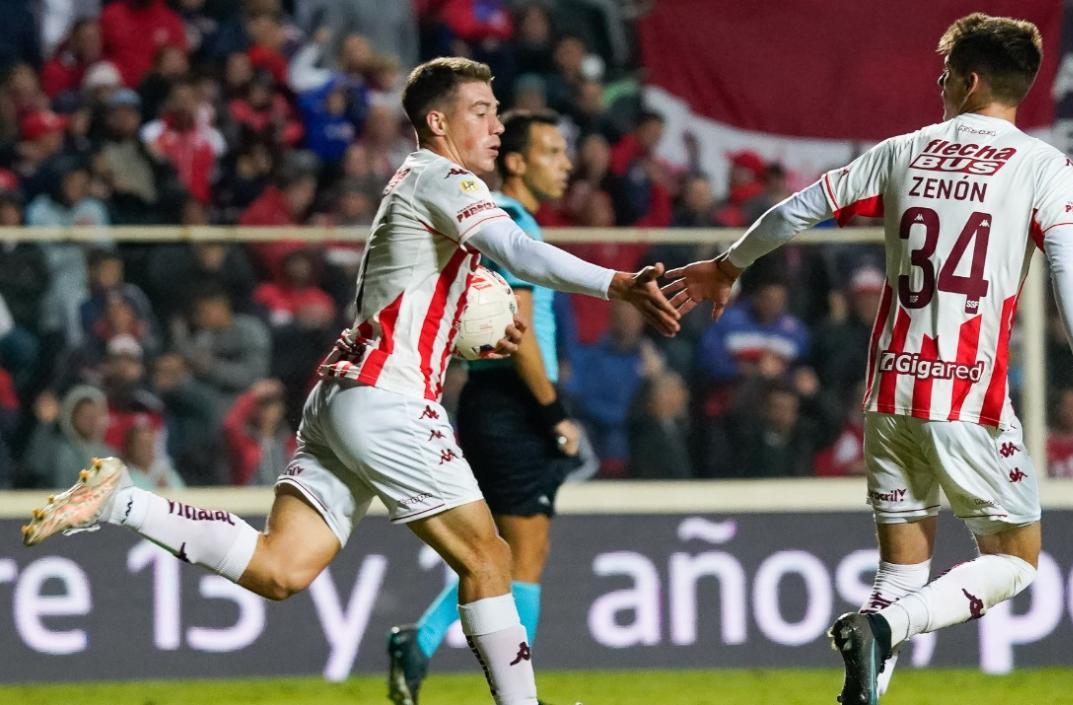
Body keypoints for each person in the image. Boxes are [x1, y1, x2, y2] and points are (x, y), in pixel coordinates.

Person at [22, 57, 679, 705]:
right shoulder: (447, 178)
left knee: (282, 566)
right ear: (439, 121)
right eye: (482, 111)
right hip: (391, 400)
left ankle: (122, 501)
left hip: (342, 395)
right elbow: (519, 253)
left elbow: (416, 298)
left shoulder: (414, 186)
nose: (497, 125)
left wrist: (462, 326)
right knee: (489, 557)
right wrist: (618, 282)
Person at [662, 14, 1073, 704]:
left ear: (970, 80)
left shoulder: (903, 150)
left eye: (944, 75)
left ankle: (870, 665)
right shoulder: (1044, 167)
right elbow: (1070, 265)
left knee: (902, 568)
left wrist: (728, 266)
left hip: (889, 392)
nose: (938, 86)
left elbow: (798, 209)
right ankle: (885, 626)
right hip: (970, 397)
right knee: (1015, 560)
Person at [385, 109, 585, 705]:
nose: (566, 164)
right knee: (520, 556)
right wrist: (554, 414)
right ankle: (514, 693)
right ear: (517, 163)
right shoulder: (511, 223)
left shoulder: (502, 222)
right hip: (513, 401)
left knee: (507, 553)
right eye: (552, 152)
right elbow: (518, 330)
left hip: (497, 401)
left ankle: (420, 645)